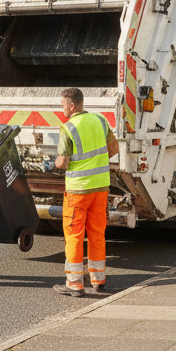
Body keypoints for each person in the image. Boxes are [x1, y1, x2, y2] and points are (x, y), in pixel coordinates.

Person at [53, 87, 120, 298]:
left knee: (73, 234)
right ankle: (98, 280)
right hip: (100, 188)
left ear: (72, 105)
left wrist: (53, 164)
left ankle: (74, 284)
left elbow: (63, 162)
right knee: (97, 232)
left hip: (78, 190)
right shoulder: (100, 120)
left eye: (63, 104)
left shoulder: (68, 127)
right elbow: (113, 148)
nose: (62, 108)